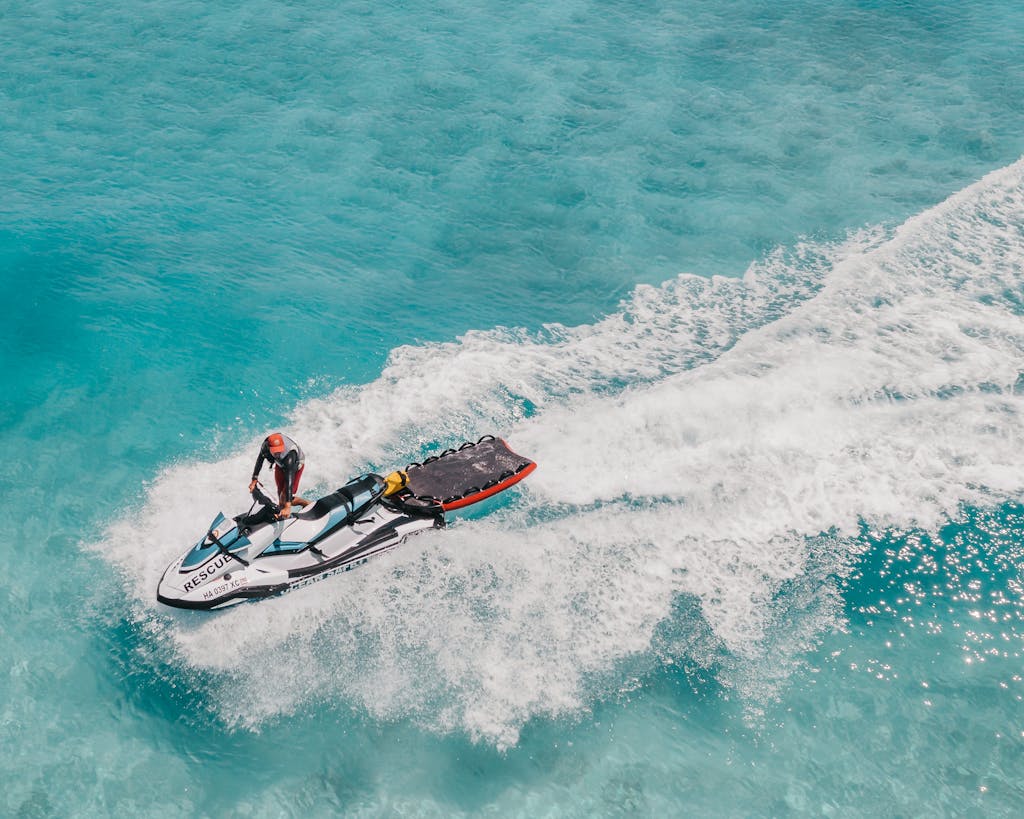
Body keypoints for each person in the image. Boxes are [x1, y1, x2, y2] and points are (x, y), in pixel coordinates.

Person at [248, 432, 310, 518]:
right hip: (280, 464)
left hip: (295, 466)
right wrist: (254, 480)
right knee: (280, 496)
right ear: (269, 448)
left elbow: (289, 481)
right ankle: (282, 515)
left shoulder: (289, 456)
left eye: (279, 451)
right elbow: (260, 460)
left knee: (284, 498)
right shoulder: (265, 446)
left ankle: (306, 503)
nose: (278, 454)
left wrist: (288, 506)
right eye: (275, 452)